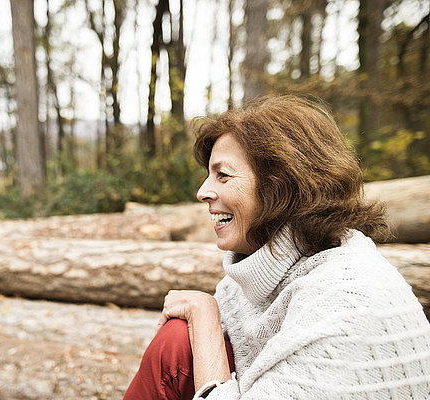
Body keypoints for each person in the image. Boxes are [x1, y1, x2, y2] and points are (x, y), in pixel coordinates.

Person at [123, 95, 430, 399]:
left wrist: (203, 314)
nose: (203, 191)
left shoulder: (344, 296)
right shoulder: (253, 279)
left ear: (281, 186)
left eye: (223, 175)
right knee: (178, 342)